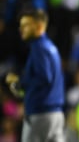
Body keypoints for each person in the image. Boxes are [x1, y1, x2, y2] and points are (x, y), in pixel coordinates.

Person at [5, 9, 65, 142]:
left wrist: (20, 83)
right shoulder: (50, 46)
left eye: (26, 25)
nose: (21, 29)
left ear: (39, 26)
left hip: (40, 113)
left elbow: (44, 78)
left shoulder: (39, 47)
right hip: (55, 113)